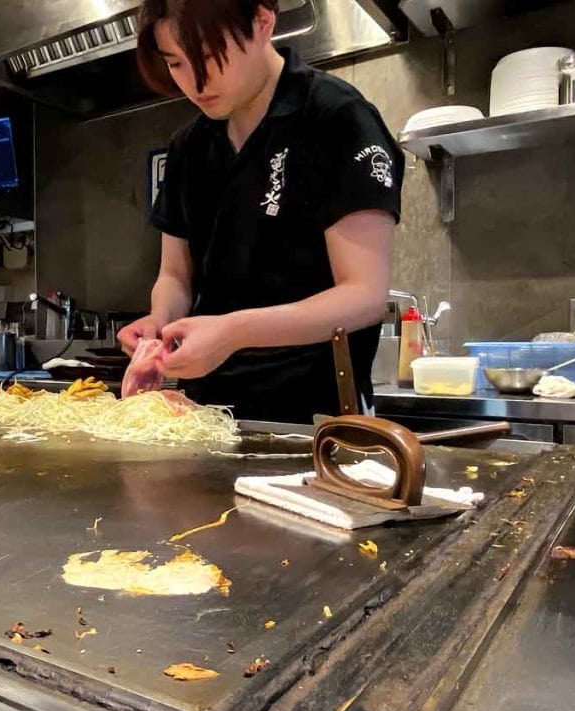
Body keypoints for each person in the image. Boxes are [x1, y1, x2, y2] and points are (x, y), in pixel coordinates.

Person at [118, 0, 403, 424]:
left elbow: (363, 296)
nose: (195, 83)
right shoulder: (188, 147)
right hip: (205, 415)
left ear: (263, 22)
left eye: (212, 58)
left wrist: (233, 332)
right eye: (177, 64)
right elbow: (175, 276)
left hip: (313, 421)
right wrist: (160, 324)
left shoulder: (336, 118)